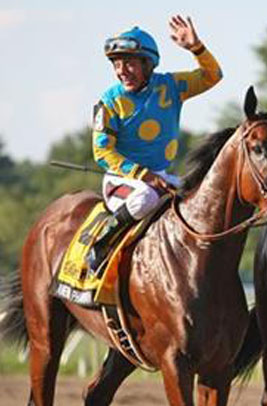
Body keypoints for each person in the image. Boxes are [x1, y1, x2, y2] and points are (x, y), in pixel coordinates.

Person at [88, 15, 222, 271]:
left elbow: (213, 75)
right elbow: (102, 152)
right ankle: (102, 242)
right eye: (116, 64)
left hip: (162, 177)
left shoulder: (172, 85)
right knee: (146, 197)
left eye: (129, 64)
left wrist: (196, 48)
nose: (121, 71)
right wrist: (143, 175)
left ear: (148, 64)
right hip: (121, 181)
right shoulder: (109, 101)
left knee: (205, 201)